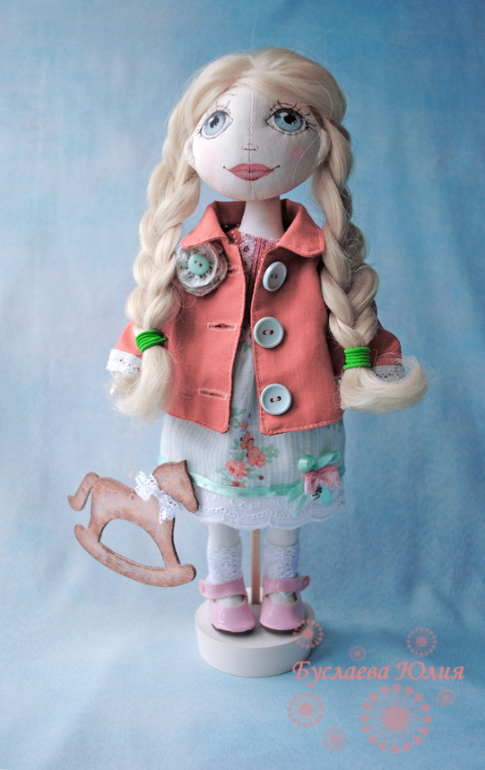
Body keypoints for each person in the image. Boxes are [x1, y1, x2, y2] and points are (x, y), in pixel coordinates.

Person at [107, 49, 427, 634]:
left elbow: (352, 317)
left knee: (288, 511)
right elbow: (154, 310)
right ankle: (225, 590)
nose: (250, 144)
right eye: (218, 122)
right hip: (209, 411)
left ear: (321, 143)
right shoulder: (188, 256)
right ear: (191, 148)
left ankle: (281, 589)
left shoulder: (323, 257)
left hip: (297, 409)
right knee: (218, 510)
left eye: (284, 120)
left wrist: (375, 361)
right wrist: (134, 356)